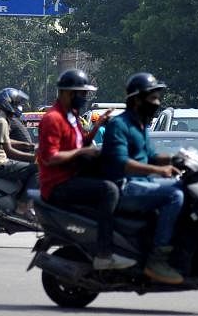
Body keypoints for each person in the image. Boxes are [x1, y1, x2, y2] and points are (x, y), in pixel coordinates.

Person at [37, 69, 132, 271]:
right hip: (58, 184)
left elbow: (83, 142)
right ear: (67, 93)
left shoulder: (71, 116)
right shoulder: (53, 118)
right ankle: (104, 253)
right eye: (81, 94)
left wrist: (98, 127)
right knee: (109, 190)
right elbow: (49, 157)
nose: (83, 98)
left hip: (74, 174)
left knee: (120, 177)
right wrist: (80, 154)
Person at [102, 72, 186, 285]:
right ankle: (157, 259)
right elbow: (122, 163)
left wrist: (177, 158)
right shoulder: (118, 125)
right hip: (125, 186)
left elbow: (151, 156)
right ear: (137, 99)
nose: (157, 103)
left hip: (143, 183)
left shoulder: (141, 125)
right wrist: (159, 171)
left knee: (185, 187)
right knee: (174, 195)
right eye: (152, 98)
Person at [0, 88, 38, 189]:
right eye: (16, 103)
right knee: (36, 168)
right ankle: (25, 201)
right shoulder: (2, 122)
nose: (18, 106)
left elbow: (5, 140)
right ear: (8, 103)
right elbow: (9, 152)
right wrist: (34, 158)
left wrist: (30, 146)